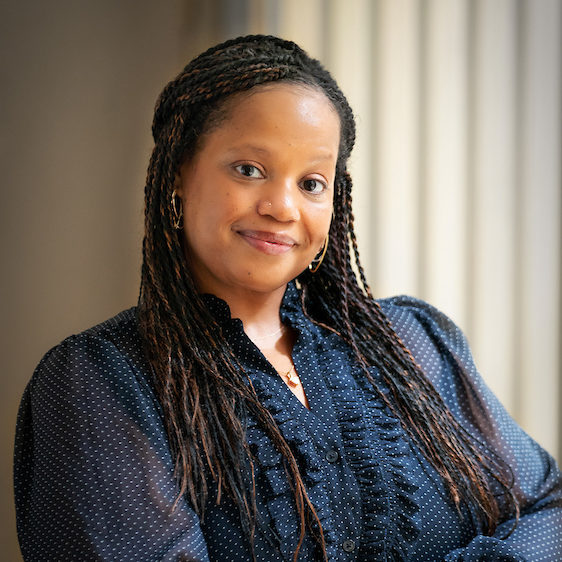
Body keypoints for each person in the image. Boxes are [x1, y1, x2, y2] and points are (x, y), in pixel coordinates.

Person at [14, 35, 561, 562]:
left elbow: (551, 507)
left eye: (312, 182)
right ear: (179, 173)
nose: (282, 207)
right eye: (249, 170)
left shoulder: (412, 343)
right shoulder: (101, 380)